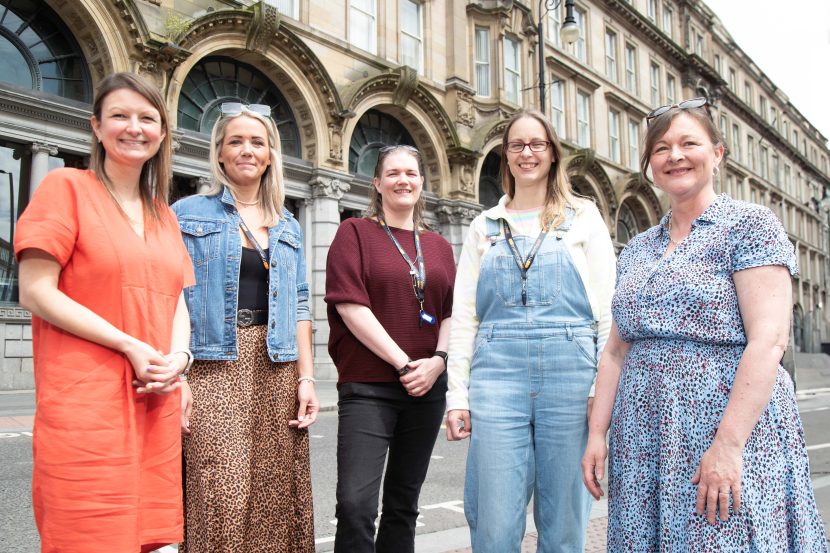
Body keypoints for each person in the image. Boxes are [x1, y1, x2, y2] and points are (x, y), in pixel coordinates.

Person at [582, 98, 829, 551]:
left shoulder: (750, 226)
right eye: (661, 148)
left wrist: (729, 446)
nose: (674, 155)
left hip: (723, 427)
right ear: (650, 166)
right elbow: (616, 351)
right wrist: (597, 434)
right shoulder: (637, 248)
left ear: (716, 154)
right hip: (643, 438)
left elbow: (769, 340)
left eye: (688, 143)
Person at [15, 72, 193, 553]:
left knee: (156, 541)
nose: (134, 127)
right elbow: (35, 291)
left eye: (147, 118)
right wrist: (129, 343)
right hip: (86, 403)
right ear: (96, 127)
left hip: (154, 399)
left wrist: (181, 358)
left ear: (161, 133)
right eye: (119, 116)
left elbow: (177, 296)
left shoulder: (164, 212)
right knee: (88, 533)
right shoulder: (65, 187)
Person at [445, 110, 616, 552]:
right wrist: (457, 396)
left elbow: (607, 316)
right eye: (517, 145)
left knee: (564, 523)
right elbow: (465, 317)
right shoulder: (483, 226)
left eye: (536, 144)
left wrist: (601, 387)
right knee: (495, 523)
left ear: (552, 153)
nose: (527, 153)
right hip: (496, 376)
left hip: (572, 378)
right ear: (506, 156)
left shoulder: (583, 217)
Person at [172, 102, 317, 552]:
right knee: (220, 487)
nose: (247, 150)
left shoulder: (288, 224)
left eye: (257, 142)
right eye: (236, 141)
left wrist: (307, 378)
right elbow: (167, 292)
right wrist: (178, 376)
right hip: (213, 363)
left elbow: (299, 305)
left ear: (271, 155)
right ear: (218, 153)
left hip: (276, 367)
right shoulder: (187, 212)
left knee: (273, 491)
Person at [325, 145, 456, 553]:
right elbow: (349, 304)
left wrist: (438, 362)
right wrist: (403, 364)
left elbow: (452, 312)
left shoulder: (438, 246)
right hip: (370, 386)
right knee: (355, 505)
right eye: (394, 173)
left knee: (403, 504)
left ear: (421, 183)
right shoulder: (355, 233)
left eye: (412, 173)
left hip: (427, 388)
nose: (404, 180)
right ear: (377, 183)